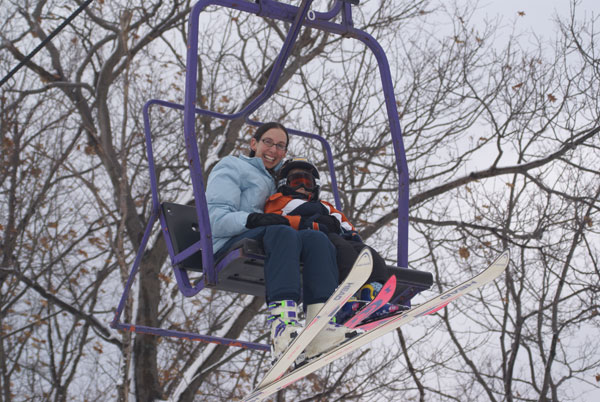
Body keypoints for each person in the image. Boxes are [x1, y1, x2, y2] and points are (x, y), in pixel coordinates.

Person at [205, 123, 354, 361]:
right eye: (268, 142)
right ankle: (282, 326)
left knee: (316, 238)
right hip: (229, 241)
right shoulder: (232, 166)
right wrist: (252, 219)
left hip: (269, 240)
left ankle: (321, 326)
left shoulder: (279, 181)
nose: (273, 150)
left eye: (280, 146)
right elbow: (215, 220)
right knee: (283, 232)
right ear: (253, 143)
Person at [264, 158, 395, 322]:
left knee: (368, 253)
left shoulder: (325, 205)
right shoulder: (279, 201)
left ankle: (372, 294)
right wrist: (309, 222)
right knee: (342, 249)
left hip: (333, 236)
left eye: (307, 182)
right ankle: (347, 297)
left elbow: (341, 220)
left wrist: (351, 233)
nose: (302, 187)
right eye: (296, 182)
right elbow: (276, 219)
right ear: (285, 184)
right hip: (309, 240)